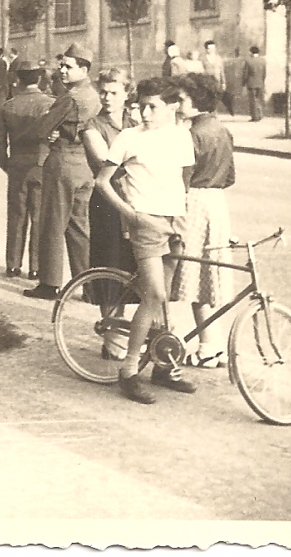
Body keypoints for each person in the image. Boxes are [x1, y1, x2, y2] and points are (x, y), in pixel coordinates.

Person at [95, 76, 197, 404]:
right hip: (145, 222)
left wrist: (183, 215)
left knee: (164, 299)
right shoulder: (129, 137)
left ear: (172, 108)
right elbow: (103, 181)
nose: (145, 114)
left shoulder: (181, 136)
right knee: (152, 296)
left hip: (174, 221)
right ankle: (128, 371)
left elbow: (184, 179)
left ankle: (163, 367)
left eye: (153, 107)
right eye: (142, 107)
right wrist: (130, 213)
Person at [24, 44, 101, 300]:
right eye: (62, 65)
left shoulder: (69, 98)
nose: (62, 70)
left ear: (84, 69)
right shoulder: (93, 95)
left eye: (68, 66)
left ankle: (49, 283)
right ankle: (90, 285)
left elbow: (40, 129)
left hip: (63, 163)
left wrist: (50, 125)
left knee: (52, 223)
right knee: (80, 227)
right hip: (85, 165)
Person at [170, 72, 236, 368]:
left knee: (190, 273)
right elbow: (231, 176)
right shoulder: (222, 130)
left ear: (196, 100)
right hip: (216, 203)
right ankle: (213, 343)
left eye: (181, 99)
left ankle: (205, 346)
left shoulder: (190, 134)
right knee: (208, 274)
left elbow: (179, 180)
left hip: (192, 202)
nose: (177, 103)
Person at [81, 68, 137, 358]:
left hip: (137, 200)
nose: (107, 97)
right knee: (111, 266)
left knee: (135, 268)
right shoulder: (92, 126)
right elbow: (105, 162)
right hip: (108, 203)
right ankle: (112, 339)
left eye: (114, 92)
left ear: (127, 94)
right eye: (103, 92)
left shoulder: (135, 122)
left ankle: (135, 333)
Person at [0, 60, 54, 279]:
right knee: (39, 218)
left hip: (17, 165)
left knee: (16, 216)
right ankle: (36, 267)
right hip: (43, 165)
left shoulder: (9, 106)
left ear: (18, 79)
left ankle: (13, 265)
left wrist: (7, 165)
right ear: (39, 78)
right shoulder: (51, 104)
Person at [201, 40, 232, 115]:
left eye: (213, 48)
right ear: (206, 49)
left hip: (217, 81)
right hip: (206, 82)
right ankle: (207, 114)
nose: (212, 50)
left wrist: (223, 83)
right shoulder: (202, 59)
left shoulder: (219, 58)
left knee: (215, 98)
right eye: (209, 48)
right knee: (207, 98)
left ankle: (214, 114)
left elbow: (222, 71)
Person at [243, 45, 267, 121]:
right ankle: (260, 114)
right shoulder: (263, 61)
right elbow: (264, 73)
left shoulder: (249, 61)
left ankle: (255, 117)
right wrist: (262, 81)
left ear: (251, 52)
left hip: (251, 84)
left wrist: (243, 83)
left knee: (253, 101)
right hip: (260, 83)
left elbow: (245, 74)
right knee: (258, 99)